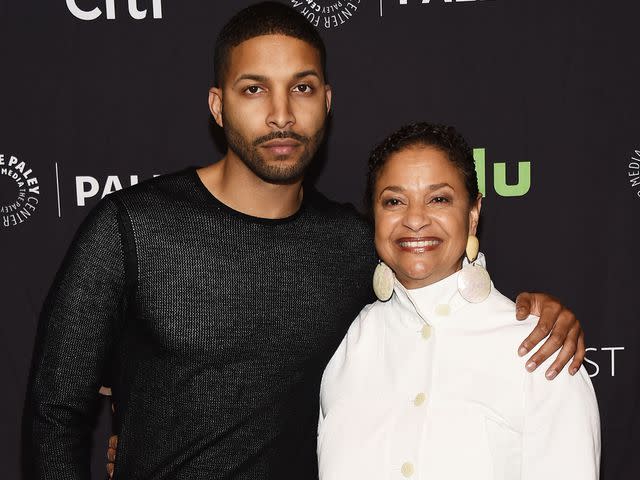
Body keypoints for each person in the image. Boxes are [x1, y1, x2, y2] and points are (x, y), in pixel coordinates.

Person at [25, 3, 585, 479]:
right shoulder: (131, 227)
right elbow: (55, 412)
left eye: (302, 88)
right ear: (219, 105)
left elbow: (436, 281)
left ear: (327, 100)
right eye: (254, 89)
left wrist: (540, 313)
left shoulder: (352, 243)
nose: (281, 115)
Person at [317, 123, 600, 480]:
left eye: (439, 199)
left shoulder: (539, 350)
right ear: (374, 216)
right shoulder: (349, 347)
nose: (415, 219)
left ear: (473, 213)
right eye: (394, 201)